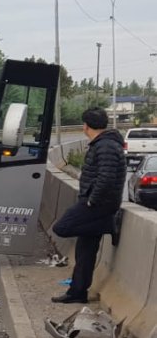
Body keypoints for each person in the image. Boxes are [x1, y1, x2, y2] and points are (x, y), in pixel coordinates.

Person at [51, 107, 126, 304]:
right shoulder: (102, 144)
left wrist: (93, 199)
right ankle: (77, 292)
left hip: (98, 205)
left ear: (85, 126)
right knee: (85, 253)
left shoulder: (106, 146)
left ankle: (108, 224)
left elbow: (107, 178)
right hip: (98, 204)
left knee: (62, 227)